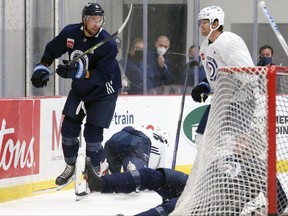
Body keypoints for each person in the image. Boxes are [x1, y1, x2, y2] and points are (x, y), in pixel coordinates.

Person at [83, 129, 288, 216]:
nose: (238, 142)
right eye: (239, 138)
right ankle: (100, 184)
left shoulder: (260, 169)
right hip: (194, 186)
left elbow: (281, 202)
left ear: (254, 146)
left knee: (174, 207)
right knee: (150, 175)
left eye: (244, 140)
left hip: (211, 207)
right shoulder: (227, 157)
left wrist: (255, 212)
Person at [30, 3, 121, 189]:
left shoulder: (108, 44)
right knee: (68, 130)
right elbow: (51, 49)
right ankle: (70, 167)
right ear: (84, 20)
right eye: (93, 20)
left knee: (92, 134)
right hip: (81, 89)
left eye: (99, 20)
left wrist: (78, 71)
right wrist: (42, 67)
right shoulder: (70, 33)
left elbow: (103, 76)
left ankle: (93, 174)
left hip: (104, 91)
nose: (97, 24)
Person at [191, 6, 254, 146]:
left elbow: (249, 73)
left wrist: (230, 87)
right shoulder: (204, 46)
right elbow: (213, 75)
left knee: (230, 144)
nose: (201, 25)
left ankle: (232, 167)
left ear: (216, 23)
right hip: (220, 101)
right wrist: (204, 85)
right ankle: (213, 168)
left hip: (241, 101)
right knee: (202, 140)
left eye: (205, 21)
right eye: (200, 22)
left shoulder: (229, 41)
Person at [101, 125, 172, 174]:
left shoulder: (148, 133)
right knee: (136, 178)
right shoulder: (164, 146)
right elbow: (165, 175)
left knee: (108, 180)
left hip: (118, 137)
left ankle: (105, 171)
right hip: (137, 142)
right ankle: (134, 174)